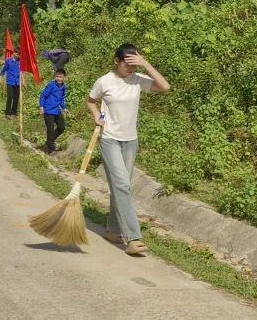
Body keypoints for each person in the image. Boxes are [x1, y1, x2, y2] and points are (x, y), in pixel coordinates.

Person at [86, 43, 170, 257]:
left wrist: (145, 63)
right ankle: (133, 238)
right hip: (109, 139)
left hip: (130, 141)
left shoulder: (137, 80)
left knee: (121, 187)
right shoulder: (104, 81)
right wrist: (96, 115)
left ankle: (113, 230)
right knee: (122, 185)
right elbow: (91, 101)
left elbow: (164, 87)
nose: (130, 69)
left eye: (134, 64)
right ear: (117, 61)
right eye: (127, 64)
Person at [38, 68, 68, 153]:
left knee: (61, 127)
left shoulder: (63, 86)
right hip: (48, 110)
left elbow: (61, 99)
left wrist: (64, 108)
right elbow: (43, 96)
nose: (58, 78)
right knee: (50, 129)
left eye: (60, 77)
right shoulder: (51, 85)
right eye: (57, 76)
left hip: (56, 110)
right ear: (55, 76)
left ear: (64, 77)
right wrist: (41, 107)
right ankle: (50, 149)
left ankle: (49, 141)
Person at [0, 48, 21, 118]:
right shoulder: (8, 60)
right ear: (14, 53)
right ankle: (7, 113)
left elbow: (22, 71)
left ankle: (13, 113)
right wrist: (1, 77)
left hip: (17, 82)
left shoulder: (20, 61)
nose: (18, 56)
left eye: (19, 54)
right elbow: (4, 69)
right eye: (17, 54)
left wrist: (23, 80)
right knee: (10, 97)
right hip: (10, 81)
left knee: (16, 98)